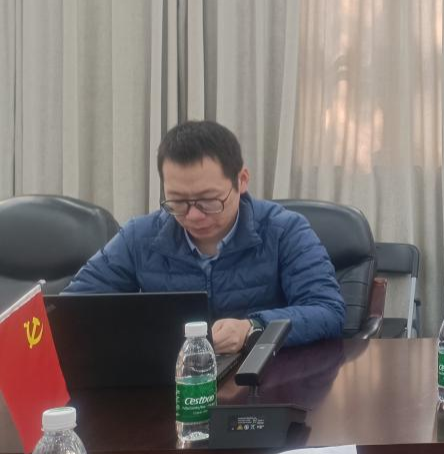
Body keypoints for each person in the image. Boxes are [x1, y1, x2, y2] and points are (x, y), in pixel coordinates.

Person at [65, 120, 345, 351]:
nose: (194, 216)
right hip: (170, 381)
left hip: (263, 380)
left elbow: (328, 311)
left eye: (209, 200)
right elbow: (72, 309)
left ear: (241, 181)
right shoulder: (140, 236)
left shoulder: (284, 230)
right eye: (177, 201)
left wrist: (252, 328)